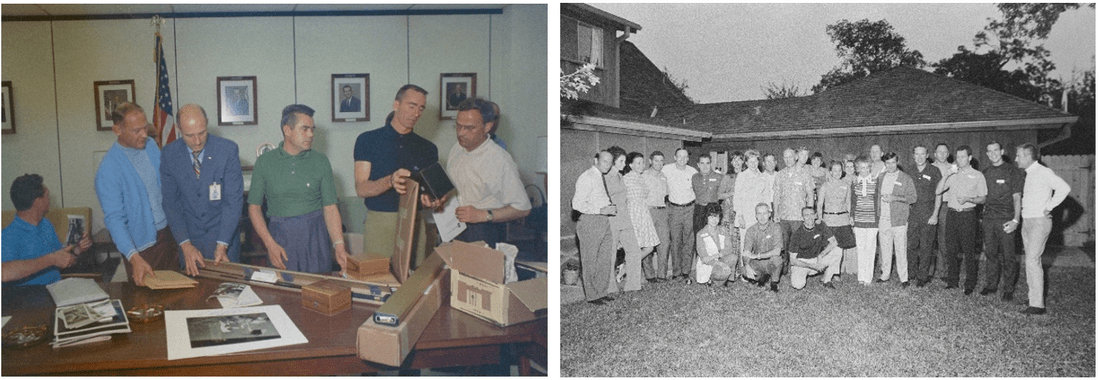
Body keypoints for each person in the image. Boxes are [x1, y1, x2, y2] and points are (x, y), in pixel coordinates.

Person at [247, 104, 349, 274]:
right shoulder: (265, 162)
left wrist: (339, 245)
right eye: (305, 129)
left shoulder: (321, 161)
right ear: (287, 130)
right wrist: (270, 244)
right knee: (286, 294)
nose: (311, 134)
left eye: (312, 129)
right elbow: (254, 208)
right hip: (281, 238)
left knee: (318, 292)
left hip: (315, 237)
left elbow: (330, 207)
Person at [95, 102, 180, 286]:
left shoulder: (150, 145)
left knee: (178, 296)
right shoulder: (108, 169)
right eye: (136, 131)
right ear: (117, 130)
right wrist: (134, 258)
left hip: (168, 236)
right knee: (150, 303)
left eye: (145, 128)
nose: (144, 134)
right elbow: (114, 219)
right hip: (142, 247)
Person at [354, 85, 438, 262]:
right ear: (396, 105)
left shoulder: (429, 148)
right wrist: (390, 181)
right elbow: (361, 188)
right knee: (377, 280)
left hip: (415, 222)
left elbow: (433, 195)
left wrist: (432, 200)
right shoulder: (367, 140)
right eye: (411, 106)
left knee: (415, 282)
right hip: (381, 222)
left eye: (420, 108)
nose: (416, 113)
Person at [161, 104, 244, 276]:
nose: (197, 141)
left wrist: (222, 244)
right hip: (190, 244)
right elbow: (171, 203)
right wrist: (185, 244)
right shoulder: (169, 154)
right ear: (178, 130)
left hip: (224, 239)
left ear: (207, 123)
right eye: (189, 135)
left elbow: (233, 201)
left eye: (202, 133)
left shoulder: (227, 150)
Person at [447, 98, 531, 247]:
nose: (461, 133)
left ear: (487, 127)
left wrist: (484, 215)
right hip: (454, 227)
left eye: (469, 128)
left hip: (484, 230)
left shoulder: (499, 159)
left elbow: (523, 207)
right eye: (458, 126)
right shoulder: (456, 149)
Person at [2, 174, 92, 285]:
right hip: (29, 299)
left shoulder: (46, 224)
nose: (49, 200)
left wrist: (78, 250)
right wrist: (51, 259)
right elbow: (3, 272)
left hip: (57, 291)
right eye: (47, 196)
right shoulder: (7, 236)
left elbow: (60, 259)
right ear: (38, 202)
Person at [1015, 144, 1070, 315]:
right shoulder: (1030, 173)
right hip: (1028, 221)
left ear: (1027, 156)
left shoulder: (1043, 172)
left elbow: (1064, 188)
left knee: (1032, 260)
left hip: (1039, 222)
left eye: (1018, 156)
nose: (1016, 159)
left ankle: (1037, 305)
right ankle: (1033, 298)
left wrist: (1049, 207)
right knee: (1031, 261)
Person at [978, 141, 1024, 300]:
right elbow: (982, 197)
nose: (993, 154)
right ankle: (991, 285)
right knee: (990, 253)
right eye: (989, 151)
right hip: (989, 219)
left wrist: (1016, 220)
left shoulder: (1013, 171)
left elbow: (1017, 198)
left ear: (1002, 151)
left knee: (1008, 256)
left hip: (1006, 219)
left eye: (996, 150)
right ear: (987, 154)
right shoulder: (985, 173)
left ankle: (1008, 289)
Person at [572, 150, 618, 305]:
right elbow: (577, 204)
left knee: (604, 259)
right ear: (596, 160)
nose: (608, 165)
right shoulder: (587, 177)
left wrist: (607, 208)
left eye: (610, 162)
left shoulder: (600, 176)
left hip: (603, 221)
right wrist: (600, 210)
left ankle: (601, 292)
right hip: (590, 221)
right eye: (605, 161)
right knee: (590, 260)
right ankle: (592, 296)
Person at [940, 145, 987, 294]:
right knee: (951, 249)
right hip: (952, 214)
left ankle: (970, 283)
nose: (959, 160)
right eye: (957, 157)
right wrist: (947, 175)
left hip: (968, 214)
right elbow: (938, 190)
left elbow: (983, 198)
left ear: (969, 158)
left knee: (969, 250)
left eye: (962, 157)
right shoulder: (953, 174)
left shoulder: (978, 175)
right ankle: (952, 281)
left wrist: (969, 199)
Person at [875, 152, 917, 286]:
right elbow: (876, 196)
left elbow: (913, 198)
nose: (890, 166)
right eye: (887, 163)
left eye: (893, 162)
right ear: (884, 164)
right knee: (885, 249)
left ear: (897, 162)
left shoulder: (905, 178)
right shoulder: (881, 177)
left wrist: (895, 198)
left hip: (899, 219)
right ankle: (885, 275)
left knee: (901, 249)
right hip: (884, 219)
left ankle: (904, 278)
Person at [606, 146, 644, 291]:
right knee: (611, 254)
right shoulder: (606, 178)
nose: (623, 163)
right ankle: (610, 287)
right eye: (620, 161)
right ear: (613, 161)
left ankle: (633, 285)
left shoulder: (620, 176)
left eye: (624, 160)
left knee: (634, 250)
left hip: (625, 218)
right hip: (612, 219)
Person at [907, 145, 943, 287]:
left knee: (926, 247)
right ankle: (911, 273)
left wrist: (935, 214)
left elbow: (938, 194)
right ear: (913, 156)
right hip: (913, 214)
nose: (920, 157)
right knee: (911, 245)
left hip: (928, 213)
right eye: (917, 154)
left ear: (927, 155)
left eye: (923, 154)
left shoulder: (934, 171)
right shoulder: (909, 171)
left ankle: (923, 276)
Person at [623, 152, 659, 286]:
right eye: (637, 163)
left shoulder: (642, 177)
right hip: (633, 214)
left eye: (642, 162)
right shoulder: (626, 179)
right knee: (636, 246)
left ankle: (626, 266)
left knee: (649, 247)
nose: (641, 165)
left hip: (643, 213)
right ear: (630, 164)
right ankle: (630, 275)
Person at [662, 148, 697, 281]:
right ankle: (677, 272)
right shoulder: (666, 169)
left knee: (689, 240)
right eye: (679, 157)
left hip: (690, 208)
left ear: (688, 158)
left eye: (685, 157)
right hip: (674, 209)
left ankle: (686, 271)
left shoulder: (693, 171)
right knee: (676, 240)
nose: (682, 159)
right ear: (675, 157)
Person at [817, 160, 856, 277]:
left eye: (839, 170)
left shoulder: (846, 185)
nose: (837, 173)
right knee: (830, 247)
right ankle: (826, 271)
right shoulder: (825, 185)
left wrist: (850, 217)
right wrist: (820, 218)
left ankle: (836, 273)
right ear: (830, 172)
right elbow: (819, 204)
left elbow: (848, 203)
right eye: (834, 170)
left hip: (843, 220)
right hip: (829, 219)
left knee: (839, 248)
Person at [789, 207, 842, 289]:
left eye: (811, 214)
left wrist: (821, 255)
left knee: (837, 250)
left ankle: (826, 280)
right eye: (806, 215)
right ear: (802, 218)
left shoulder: (821, 225)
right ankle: (798, 274)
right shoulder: (797, 234)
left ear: (815, 216)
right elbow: (792, 260)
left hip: (817, 259)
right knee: (798, 285)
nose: (809, 218)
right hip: (802, 263)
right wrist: (812, 266)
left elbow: (834, 242)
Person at [773, 148, 814, 249]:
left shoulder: (805, 174)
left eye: (790, 157)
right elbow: (776, 195)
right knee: (785, 247)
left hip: (799, 218)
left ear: (796, 157)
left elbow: (810, 195)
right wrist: (775, 213)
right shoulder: (779, 175)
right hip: (784, 218)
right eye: (785, 157)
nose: (788, 160)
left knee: (800, 247)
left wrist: (809, 215)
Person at [733, 150, 771, 252]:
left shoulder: (764, 177)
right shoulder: (742, 176)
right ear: (746, 163)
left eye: (755, 161)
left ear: (758, 162)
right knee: (746, 244)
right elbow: (737, 197)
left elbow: (766, 196)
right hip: (746, 215)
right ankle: (744, 267)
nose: (753, 164)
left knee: (761, 243)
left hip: (760, 216)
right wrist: (740, 216)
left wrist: (768, 213)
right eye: (750, 162)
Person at [741, 203, 784, 292]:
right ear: (756, 215)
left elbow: (777, 251)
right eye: (759, 214)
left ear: (769, 214)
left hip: (770, 261)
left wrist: (758, 256)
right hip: (757, 263)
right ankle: (762, 277)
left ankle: (774, 283)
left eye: (765, 213)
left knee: (777, 259)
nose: (762, 217)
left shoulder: (776, 227)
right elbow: (746, 252)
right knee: (744, 272)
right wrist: (747, 265)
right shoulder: (751, 230)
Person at [642, 151, 670, 283]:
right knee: (648, 243)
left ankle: (662, 275)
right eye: (656, 160)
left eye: (661, 161)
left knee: (664, 244)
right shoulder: (644, 175)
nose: (659, 163)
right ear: (650, 161)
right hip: (648, 211)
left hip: (662, 211)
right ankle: (649, 275)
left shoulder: (664, 176)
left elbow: (667, 195)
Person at [849, 156, 878, 285]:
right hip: (859, 220)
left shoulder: (876, 181)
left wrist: (878, 219)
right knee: (860, 248)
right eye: (861, 167)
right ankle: (861, 277)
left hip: (872, 221)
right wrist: (852, 216)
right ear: (857, 169)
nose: (864, 170)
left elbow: (877, 201)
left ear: (870, 168)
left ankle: (868, 278)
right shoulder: (855, 182)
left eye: (867, 167)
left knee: (870, 249)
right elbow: (853, 201)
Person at [694, 204, 737, 287]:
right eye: (711, 217)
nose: (714, 220)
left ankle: (726, 280)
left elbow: (729, 248)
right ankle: (712, 280)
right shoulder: (700, 234)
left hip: (719, 258)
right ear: (706, 218)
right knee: (725, 271)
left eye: (716, 217)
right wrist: (721, 264)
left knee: (733, 257)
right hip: (709, 264)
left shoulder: (723, 230)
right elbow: (705, 258)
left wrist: (717, 255)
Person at [931, 143, 952, 282]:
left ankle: (943, 271)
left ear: (948, 154)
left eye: (945, 152)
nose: (942, 154)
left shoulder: (954, 168)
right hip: (930, 205)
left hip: (946, 205)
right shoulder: (929, 168)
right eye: (939, 152)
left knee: (944, 240)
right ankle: (928, 270)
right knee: (929, 239)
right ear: (935, 154)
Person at [718, 151, 743, 226]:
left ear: (743, 161)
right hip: (729, 210)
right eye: (734, 160)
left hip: (743, 208)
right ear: (731, 162)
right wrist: (731, 194)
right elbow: (719, 195)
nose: (737, 162)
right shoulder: (727, 177)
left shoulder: (747, 176)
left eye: (739, 159)